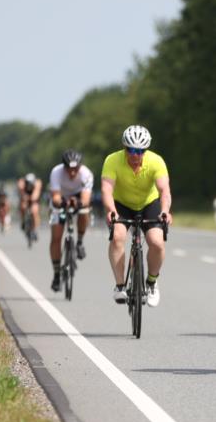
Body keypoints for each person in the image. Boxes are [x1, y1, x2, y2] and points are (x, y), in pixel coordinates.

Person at [101, 125, 172, 306]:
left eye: (140, 151)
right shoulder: (112, 160)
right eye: (131, 150)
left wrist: (165, 210)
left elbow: (164, 190)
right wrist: (111, 210)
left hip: (149, 203)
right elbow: (107, 189)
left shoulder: (156, 161)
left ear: (145, 151)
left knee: (156, 242)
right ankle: (119, 286)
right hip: (121, 204)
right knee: (117, 237)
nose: (135, 155)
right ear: (124, 148)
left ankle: (152, 282)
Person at [48, 149, 94, 292]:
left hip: (78, 197)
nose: (72, 173)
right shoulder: (56, 172)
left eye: (75, 169)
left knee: (84, 211)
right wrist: (62, 204)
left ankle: (79, 242)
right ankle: (56, 273)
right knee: (56, 237)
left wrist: (78, 203)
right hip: (61, 198)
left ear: (80, 167)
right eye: (69, 169)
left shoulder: (86, 174)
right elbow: (55, 197)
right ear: (64, 167)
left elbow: (86, 199)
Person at [16, 172, 43, 240]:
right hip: (25, 196)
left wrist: (32, 198)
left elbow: (36, 194)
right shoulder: (22, 183)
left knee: (34, 211)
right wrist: (24, 197)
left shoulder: (37, 183)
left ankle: (34, 229)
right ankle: (23, 221)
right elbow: (21, 192)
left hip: (34, 198)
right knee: (23, 207)